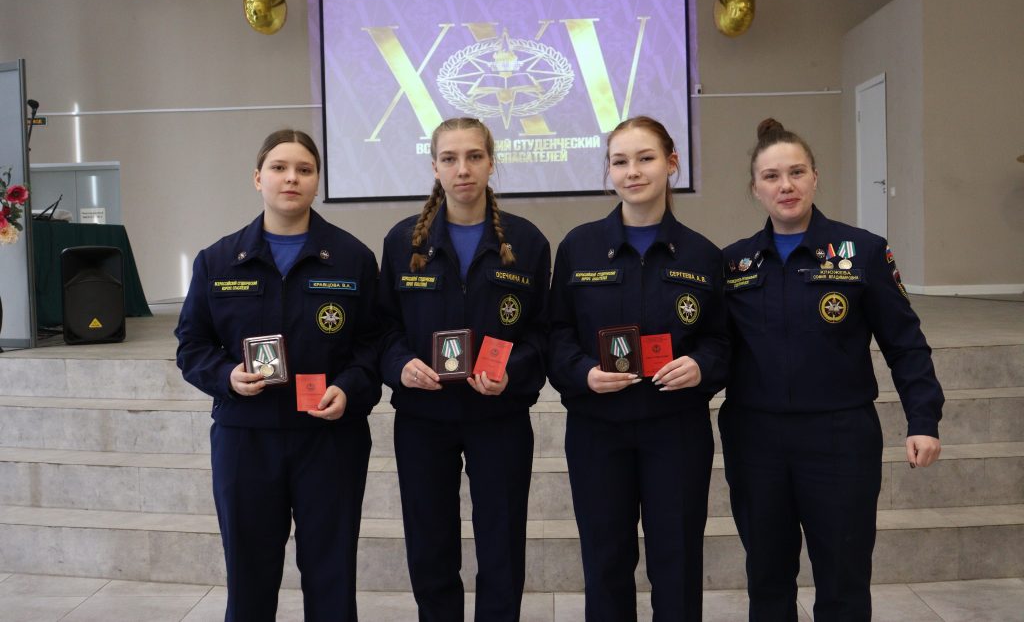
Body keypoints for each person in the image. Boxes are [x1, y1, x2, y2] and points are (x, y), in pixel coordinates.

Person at [720, 118, 944, 621]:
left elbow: (906, 343)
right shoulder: (733, 264)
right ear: (755, 188)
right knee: (767, 578)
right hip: (756, 441)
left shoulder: (863, 251)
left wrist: (923, 418)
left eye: (797, 172)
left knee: (843, 578)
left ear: (815, 177)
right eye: (772, 176)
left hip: (840, 438)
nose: (786, 185)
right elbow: (716, 351)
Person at [175, 129, 381, 622]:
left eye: (304, 170)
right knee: (249, 574)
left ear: (317, 182)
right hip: (245, 438)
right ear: (257, 178)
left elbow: (375, 344)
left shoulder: (353, 258)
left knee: (331, 574)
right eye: (279, 168)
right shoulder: (218, 260)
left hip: (330, 439)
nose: (292, 178)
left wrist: (349, 388)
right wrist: (226, 376)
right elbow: (191, 345)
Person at [547, 116, 729, 621]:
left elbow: (721, 340)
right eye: (620, 161)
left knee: (678, 560)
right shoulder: (579, 247)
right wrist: (583, 372)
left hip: (677, 429)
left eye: (646, 158)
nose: (633, 172)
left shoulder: (702, 254)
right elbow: (556, 333)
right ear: (608, 171)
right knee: (605, 559)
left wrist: (701, 366)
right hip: (597, 429)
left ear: (671, 163)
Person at [376, 117, 551, 621]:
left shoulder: (527, 241)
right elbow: (382, 329)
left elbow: (544, 333)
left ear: (491, 163)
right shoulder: (403, 241)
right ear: (434, 167)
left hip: (500, 416)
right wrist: (401, 365)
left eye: (474, 156)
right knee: (430, 546)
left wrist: (512, 372)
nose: (463, 169)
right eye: (450, 159)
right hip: (423, 418)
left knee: (502, 545)